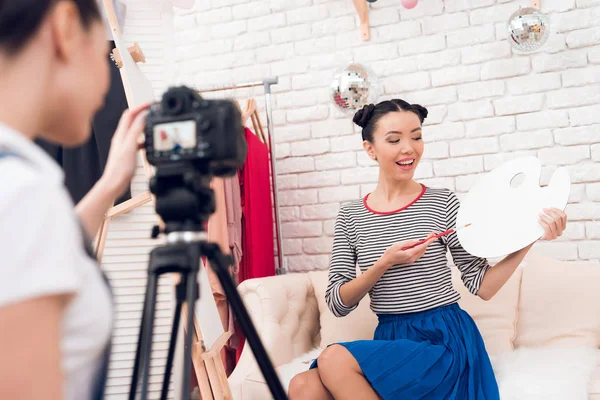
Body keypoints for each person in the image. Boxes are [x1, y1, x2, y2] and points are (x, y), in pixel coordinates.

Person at [288, 99, 568, 400]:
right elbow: (338, 303)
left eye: (416, 136)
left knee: (333, 358)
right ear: (370, 149)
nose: (408, 148)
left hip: (444, 340)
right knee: (302, 386)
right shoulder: (351, 217)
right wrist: (383, 264)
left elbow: (482, 286)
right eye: (394, 139)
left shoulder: (441, 203)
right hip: (392, 338)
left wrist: (531, 237)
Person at [0, 1, 149, 399]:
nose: (106, 80)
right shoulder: (22, 195)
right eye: (103, 50)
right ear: (66, 27)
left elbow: (37, 249)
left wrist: (110, 183)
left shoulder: (16, 188)